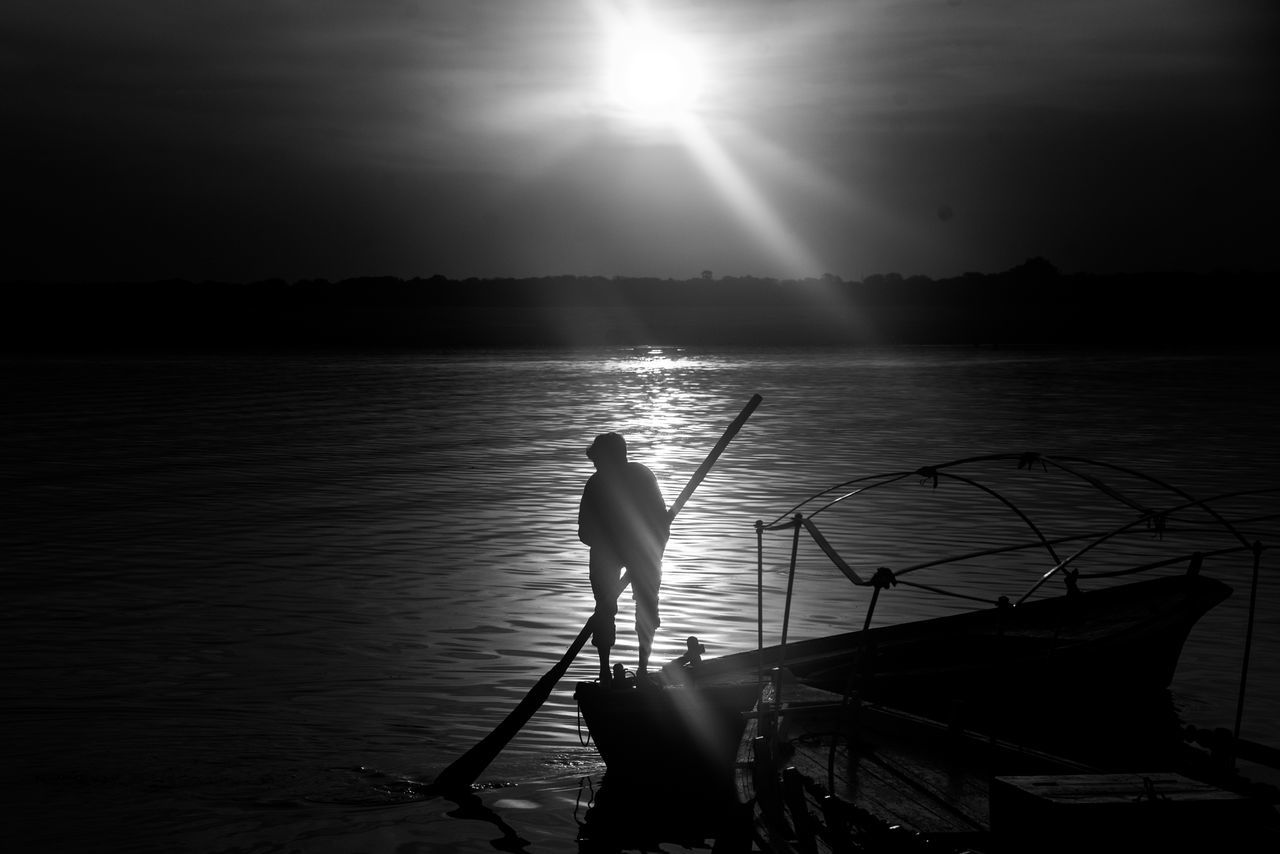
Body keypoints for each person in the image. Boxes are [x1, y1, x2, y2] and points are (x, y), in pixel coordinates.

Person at [578, 432, 669, 685]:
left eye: (598, 460)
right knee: (605, 611)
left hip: (642, 553)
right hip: (609, 555)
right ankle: (605, 672)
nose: (595, 465)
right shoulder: (595, 485)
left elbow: (661, 525)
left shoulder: (641, 476)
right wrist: (612, 545)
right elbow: (584, 531)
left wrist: (652, 555)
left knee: (646, 607)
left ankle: (641, 670)